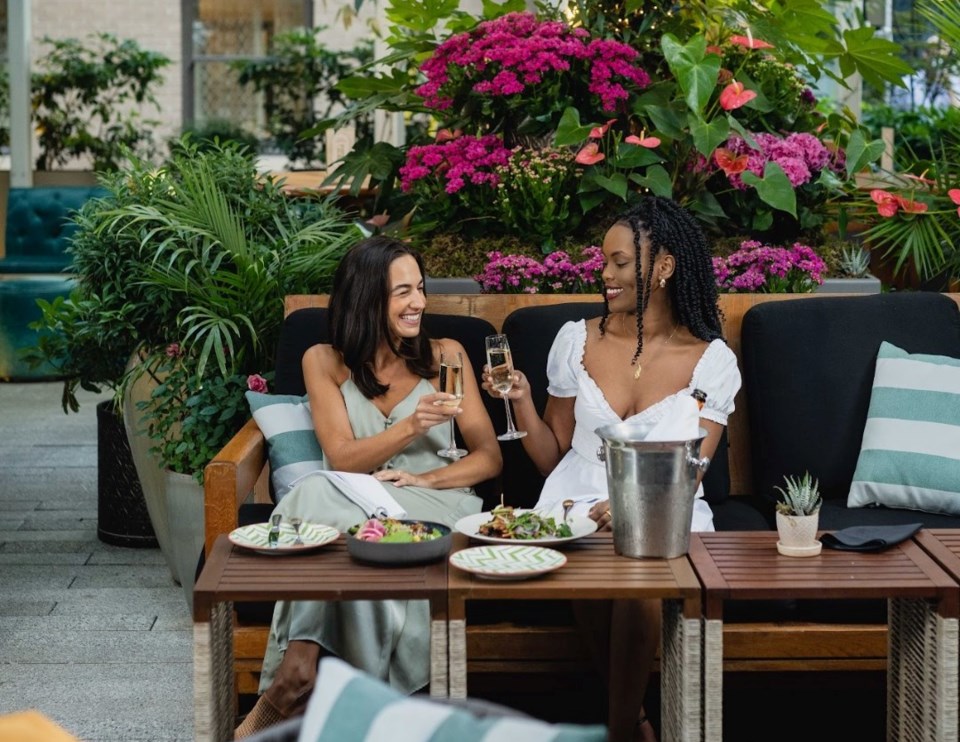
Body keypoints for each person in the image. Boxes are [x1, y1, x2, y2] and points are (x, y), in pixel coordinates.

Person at [483, 195, 741, 742]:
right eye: (605, 262)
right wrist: (523, 400)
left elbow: (691, 472)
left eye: (620, 264)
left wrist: (629, 507)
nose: (605, 275)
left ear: (664, 267)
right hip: (575, 497)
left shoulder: (712, 361)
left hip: (664, 503)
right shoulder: (576, 341)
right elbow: (552, 455)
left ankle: (619, 729)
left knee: (640, 576)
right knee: (589, 564)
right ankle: (636, 722)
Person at [236, 236, 502, 738]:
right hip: (352, 501)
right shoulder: (324, 360)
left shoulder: (447, 355)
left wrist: (423, 476)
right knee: (324, 496)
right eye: (402, 292)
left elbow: (489, 457)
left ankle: (293, 681)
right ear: (366, 299)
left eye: (420, 289)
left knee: (316, 500)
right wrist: (410, 426)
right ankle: (318, 685)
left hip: (434, 505)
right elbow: (342, 458)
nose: (419, 302)